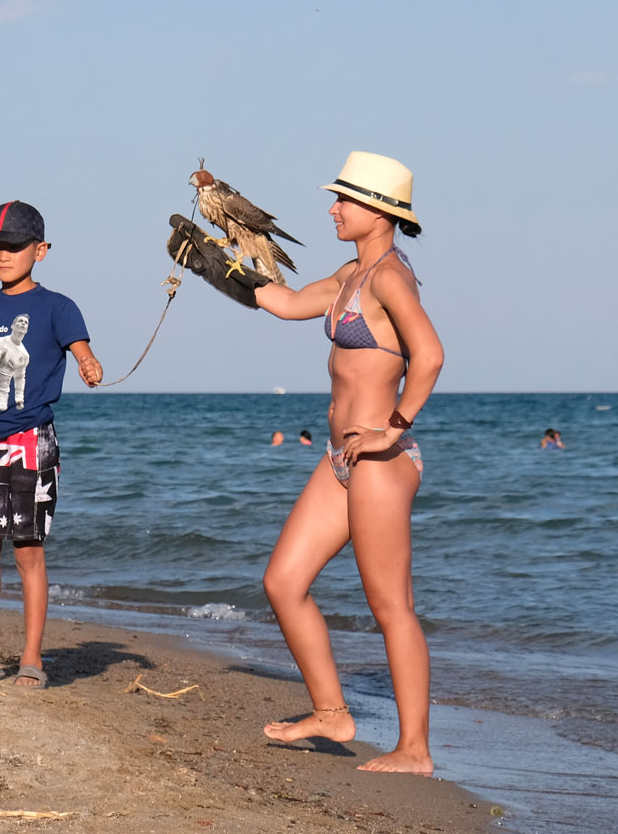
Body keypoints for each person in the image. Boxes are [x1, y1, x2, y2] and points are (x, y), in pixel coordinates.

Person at [171, 151, 444, 774]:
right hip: (338, 457)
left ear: (378, 210)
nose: (332, 209)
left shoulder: (390, 278)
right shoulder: (352, 273)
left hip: (378, 461)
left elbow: (428, 355)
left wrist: (392, 429)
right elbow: (288, 302)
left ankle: (415, 750)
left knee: (390, 606)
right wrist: (213, 264)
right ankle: (330, 712)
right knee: (284, 582)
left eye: (343, 200)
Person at [0, 202, 103, 689]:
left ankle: (32, 659)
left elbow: (81, 349)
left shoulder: (58, 307)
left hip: (30, 441)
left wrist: (88, 363)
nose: (3, 254)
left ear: (41, 251)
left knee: (27, 552)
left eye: (14, 246)